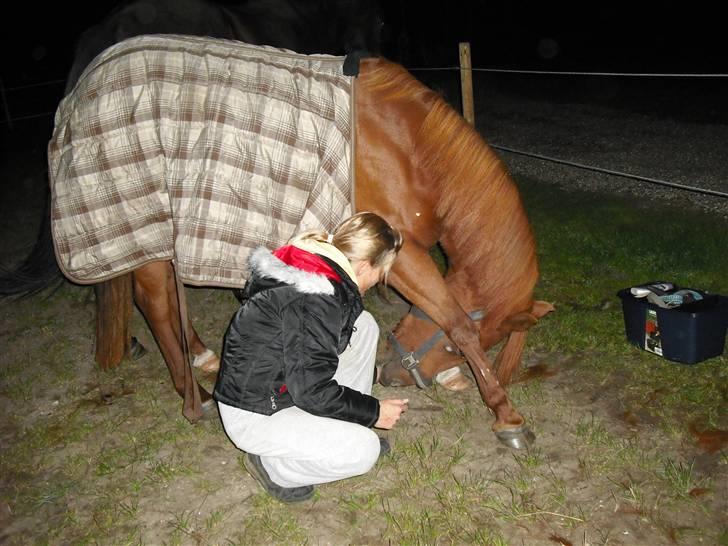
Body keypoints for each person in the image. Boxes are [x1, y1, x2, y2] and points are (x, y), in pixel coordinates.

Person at [214, 211, 408, 502]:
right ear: (367, 266)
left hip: (284, 389)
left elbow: (313, 360)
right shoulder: (315, 299)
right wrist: (374, 411)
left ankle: (339, 429)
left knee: (363, 325)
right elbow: (311, 391)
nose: (381, 280)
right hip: (257, 413)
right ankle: (274, 467)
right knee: (364, 451)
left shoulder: (319, 276)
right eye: (382, 273)